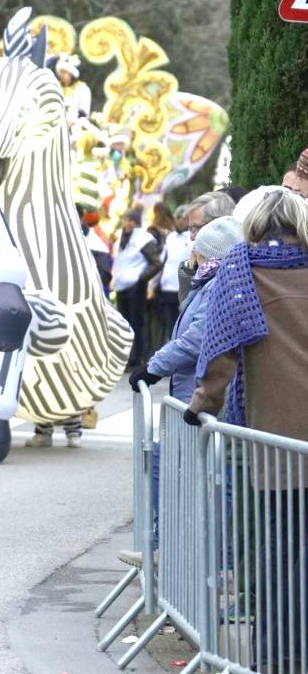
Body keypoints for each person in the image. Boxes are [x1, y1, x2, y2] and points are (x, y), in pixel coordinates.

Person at [188, 187, 308, 674]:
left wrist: (202, 404)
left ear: (254, 223)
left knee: (279, 548)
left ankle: (276, 663)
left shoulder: (240, 272)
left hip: (273, 436)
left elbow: (220, 354)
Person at [127, 215, 244, 555]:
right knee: (174, 466)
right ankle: (172, 546)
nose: (192, 254)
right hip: (191, 396)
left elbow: (195, 340)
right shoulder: (207, 282)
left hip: (201, 399)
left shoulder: (216, 285)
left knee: (173, 466)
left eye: (198, 250)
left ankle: (171, 548)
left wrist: (153, 367)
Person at [112, 207, 160, 368]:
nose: (127, 223)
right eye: (126, 220)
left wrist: (141, 279)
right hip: (122, 286)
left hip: (136, 287)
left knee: (137, 324)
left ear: (137, 223)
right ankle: (127, 358)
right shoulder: (123, 237)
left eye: (131, 221)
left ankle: (139, 358)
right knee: (124, 324)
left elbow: (156, 263)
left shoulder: (143, 239)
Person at [180, 191, 236, 303]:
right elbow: (184, 308)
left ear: (219, 225)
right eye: (190, 229)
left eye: (195, 228)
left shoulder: (237, 270)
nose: (191, 237)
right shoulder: (195, 263)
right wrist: (188, 270)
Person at [153, 204, 190, 349]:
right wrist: (154, 283)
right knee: (167, 323)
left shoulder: (192, 238)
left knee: (181, 323)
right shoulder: (170, 237)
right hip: (167, 286)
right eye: (177, 217)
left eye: (183, 218)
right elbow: (163, 260)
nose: (180, 221)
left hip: (183, 288)